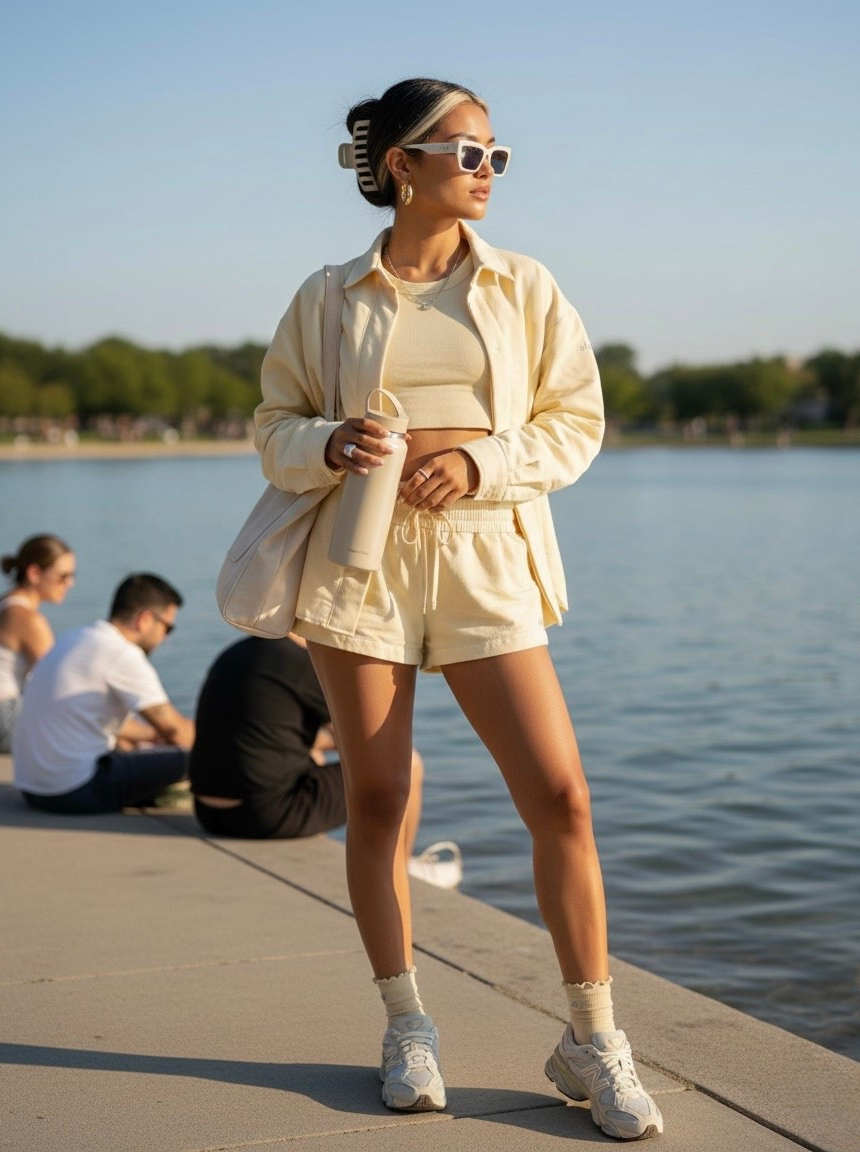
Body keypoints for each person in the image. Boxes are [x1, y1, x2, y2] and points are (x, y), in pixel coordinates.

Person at [253, 78, 662, 1140]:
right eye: (466, 152)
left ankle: (591, 1038)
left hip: (489, 564)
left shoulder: (524, 286)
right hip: (359, 566)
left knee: (560, 799)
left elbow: (575, 424)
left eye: (495, 156)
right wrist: (325, 444)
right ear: (403, 164)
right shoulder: (329, 294)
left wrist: (480, 463)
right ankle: (405, 1023)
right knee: (379, 800)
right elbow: (272, 424)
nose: (486, 171)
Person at [188, 633, 462, 888]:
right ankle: (401, 872)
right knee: (407, 765)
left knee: (313, 755)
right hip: (263, 816)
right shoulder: (303, 663)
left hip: (209, 812)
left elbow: (271, 733)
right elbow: (367, 739)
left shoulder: (240, 652)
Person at [13, 573, 194, 814]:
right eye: (167, 627)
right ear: (145, 619)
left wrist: (149, 735)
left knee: (142, 747)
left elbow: (86, 718)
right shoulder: (121, 653)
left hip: (34, 790)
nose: (165, 638)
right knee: (201, 757)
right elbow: (176, 731)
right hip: (75, 791)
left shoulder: (75, 638)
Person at [0, 534, 77, 753]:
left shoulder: (0, 603)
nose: (70, 583)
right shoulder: (26, 618)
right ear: (34, 573)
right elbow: (58, 683)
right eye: (63, 576)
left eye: (72, 576)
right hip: (2, 720)